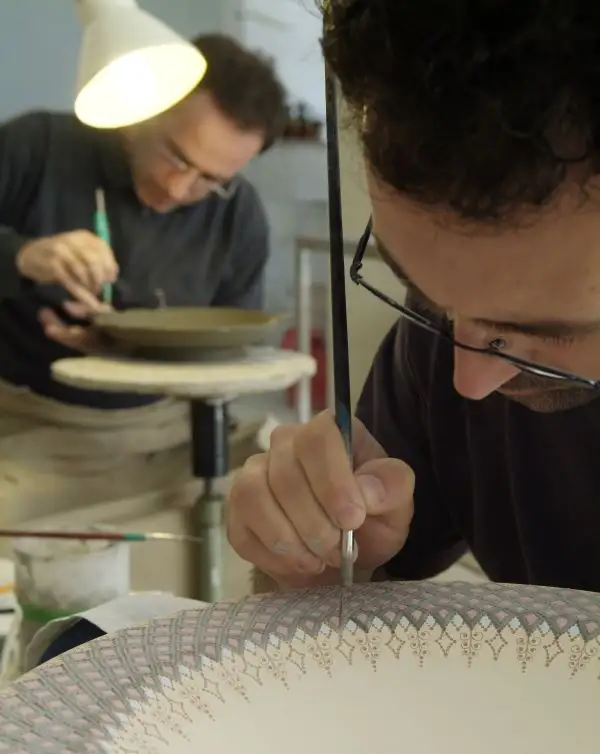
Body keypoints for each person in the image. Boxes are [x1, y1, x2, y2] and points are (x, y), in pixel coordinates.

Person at [227, 0, 600, 596]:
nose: (468, 381)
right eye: (427, 295)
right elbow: (354, 602)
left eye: (546, 334)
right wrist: (316, 564)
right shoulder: (441, 341)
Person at [0, 33, 286, 527]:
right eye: (176, 156)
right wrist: (23, 255)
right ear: (144, 114)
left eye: (209, 179)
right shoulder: (38, 146)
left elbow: (232, 356)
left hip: (172, 431)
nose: (179, 188)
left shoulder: (237, 216)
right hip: (38, 426)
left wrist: (125, 351)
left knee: (286, 496)